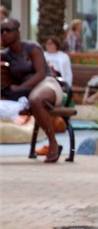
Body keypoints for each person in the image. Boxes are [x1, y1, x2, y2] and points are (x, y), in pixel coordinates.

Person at [0, 18, 65, 163]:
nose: (4, 34)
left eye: (8, 30)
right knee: (32, 99)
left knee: (35, 99)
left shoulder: (32, 48)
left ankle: (53, 144)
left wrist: (19, 88)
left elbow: (40, 74)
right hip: (26, 92)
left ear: (17, 32)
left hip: (47, 84)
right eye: (1, 31)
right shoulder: (6, 54)